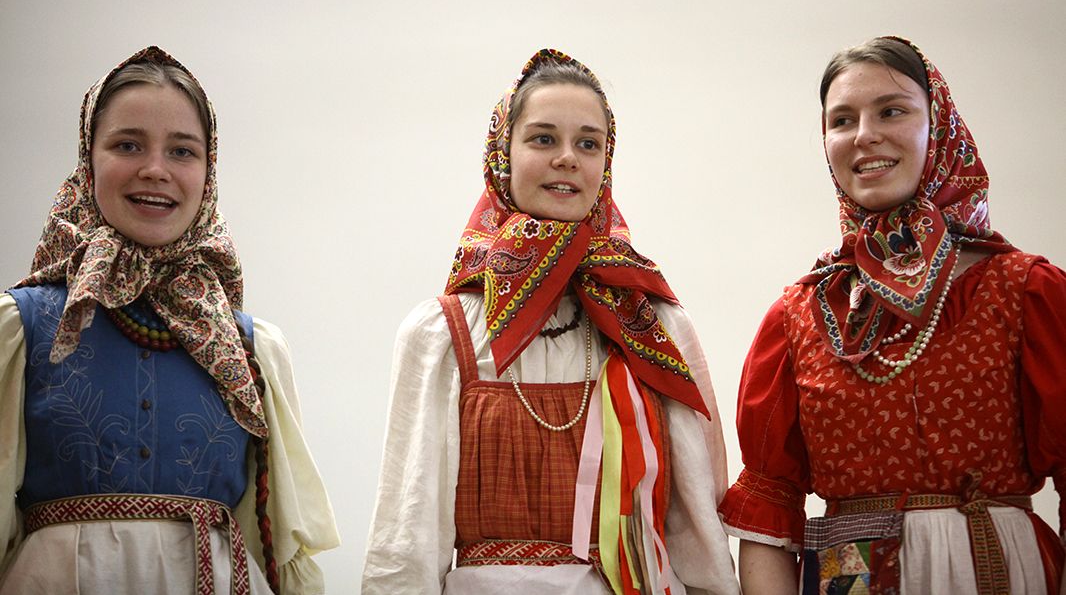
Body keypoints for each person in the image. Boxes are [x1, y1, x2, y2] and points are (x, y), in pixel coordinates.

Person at [362, 49, 738, 594]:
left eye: (588, 143)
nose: (567, 158)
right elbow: (407, 540)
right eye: (543, 139)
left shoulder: (651, 322)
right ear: (502, 154)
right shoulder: (444, 334)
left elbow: (696, 526)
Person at [718, 36, 1066, 594]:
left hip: (992, 569)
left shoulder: (1025, 291)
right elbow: (769, 506)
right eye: (842, 120)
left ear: (940, 127)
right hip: (849, 577)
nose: (864, 134)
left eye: (891, 111)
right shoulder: (797, 317)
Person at [0, 46, 339, 594]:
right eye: (127, 145)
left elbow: (279, 543)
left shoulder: (250, 348)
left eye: (182, 151)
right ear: (87, 161)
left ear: (208, 171)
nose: (155, 170)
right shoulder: (24, 327)